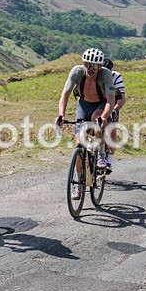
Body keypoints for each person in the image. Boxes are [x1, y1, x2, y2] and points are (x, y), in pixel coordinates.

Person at [56, 48, 116, 199]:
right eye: (88, 64)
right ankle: (78, 184)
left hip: (101, 104)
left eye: (95, 66)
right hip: (83, 105)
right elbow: (65, 95)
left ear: (100, 66)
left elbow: (111, 100)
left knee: (96, 120)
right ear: (83, 63)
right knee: (79, 144)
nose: (91, 69)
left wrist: (104, 116)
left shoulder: (106, 75)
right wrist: (61, 114)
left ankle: (101, 154)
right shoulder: (77, 72)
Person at [102, 58, 126, 174]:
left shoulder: (116, 76)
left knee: (112, 131)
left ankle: (109, 161)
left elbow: (122, 97)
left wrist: (115, 110)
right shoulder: (97, 75)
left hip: (113, 104)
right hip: (100, 104)